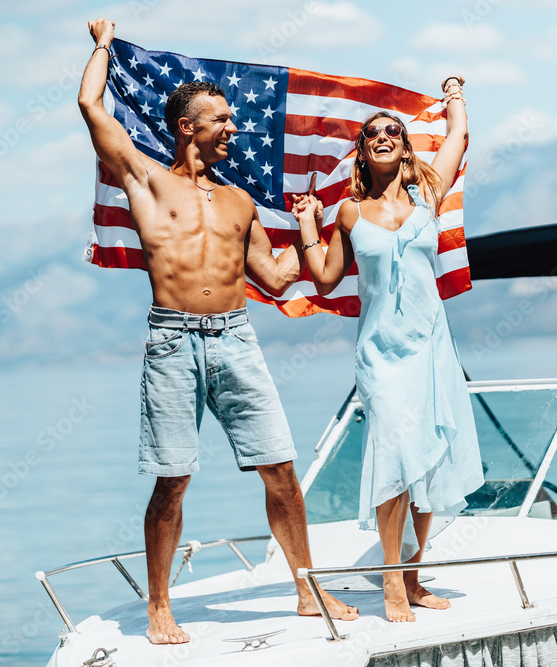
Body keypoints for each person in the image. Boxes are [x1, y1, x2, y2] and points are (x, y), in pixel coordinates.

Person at [78, 18, 358, 644]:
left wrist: (325, 225)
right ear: (188, 128)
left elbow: (279, 278)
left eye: (233, 119)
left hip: (236, 338)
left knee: (280, 468)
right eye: (222, 120)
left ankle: (307, 590)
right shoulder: (147, 181)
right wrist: (102, 44)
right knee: (172, 477)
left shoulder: (239, 202)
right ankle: (159, 606)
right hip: (173, 340)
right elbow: (90, 104)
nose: (235, 128)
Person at [292, 77, 483, 622]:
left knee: (429, 459)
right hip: (381, 355)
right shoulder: (350, 213)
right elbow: (326, 279)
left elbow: (459, 134)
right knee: (393, 460)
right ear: (363, 151)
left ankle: (415, 576)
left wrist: (453, 94)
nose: (383, 135)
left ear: (403, 147)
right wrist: (308, 223)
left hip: (431, 347)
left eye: (392, 131)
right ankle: (393, 586)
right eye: (372, 132)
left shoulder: (430, 196)